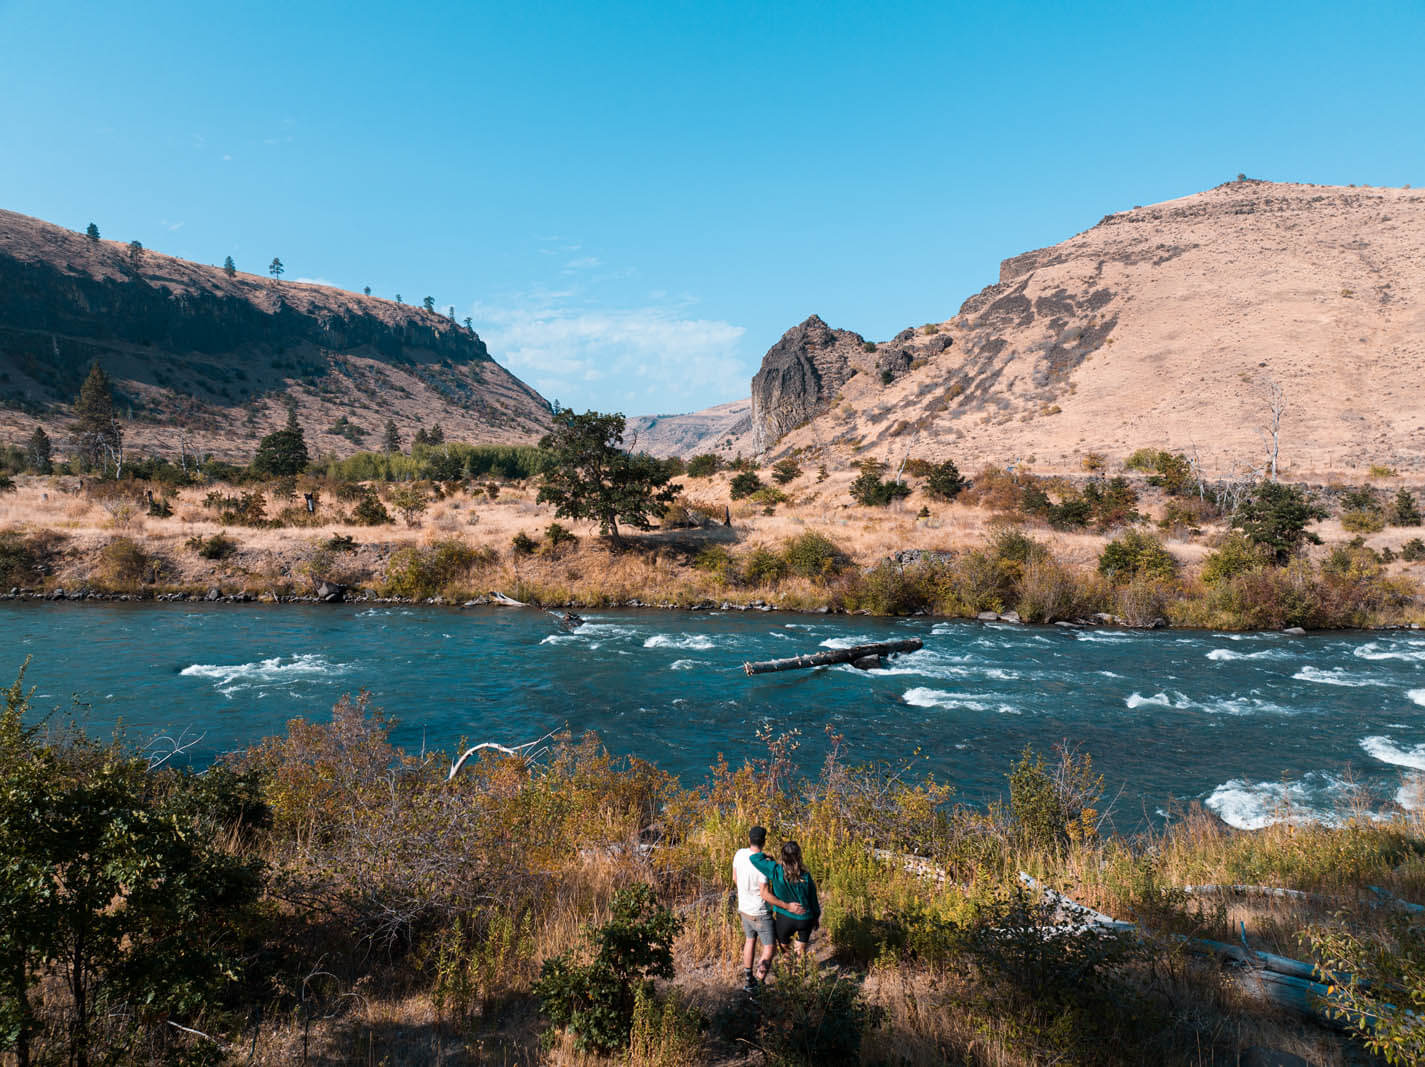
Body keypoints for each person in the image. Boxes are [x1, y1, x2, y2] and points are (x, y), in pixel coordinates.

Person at [732, 825, 785, 992]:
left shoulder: (739, 854)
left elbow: (735, 878)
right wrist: (785, 905)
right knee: (770, 947)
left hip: (744, 908)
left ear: (749, 840)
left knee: (750, 940)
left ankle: (749, 979)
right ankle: (758, 982)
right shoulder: (764, 866)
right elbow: (764, 893)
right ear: (764, 841)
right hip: (760, 912)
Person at [750, 841, 820, 958]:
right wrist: (816, 918)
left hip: (784, 918)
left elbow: (754, 858)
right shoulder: (805, 876)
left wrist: (766, 855)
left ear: (782, 856)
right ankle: (799, 974)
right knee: (800, 954)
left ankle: (788, 974)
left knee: (786, 953)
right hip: (804, 918)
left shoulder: (775, 870)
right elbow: (813, 900)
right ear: (799, 856)